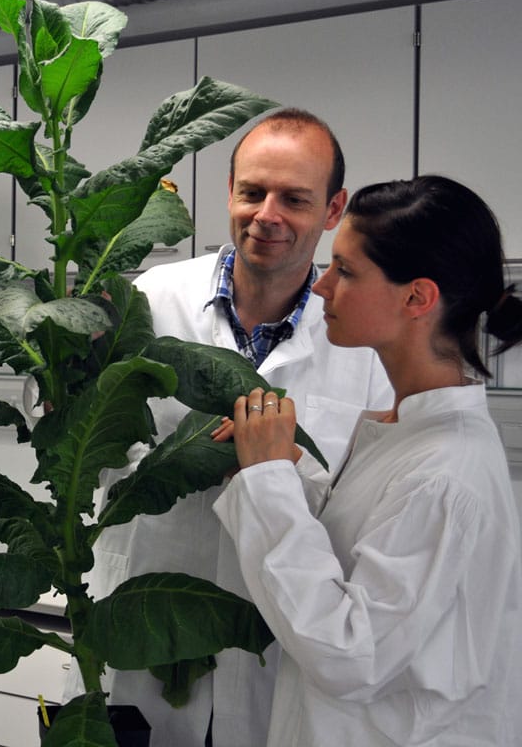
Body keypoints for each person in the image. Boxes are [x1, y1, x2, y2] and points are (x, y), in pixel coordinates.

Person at [71, 108, 394, 746]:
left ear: (333, 210)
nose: (267, 215)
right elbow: (74, 436)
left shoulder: (363, 345)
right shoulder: (150, 298)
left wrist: (273, 471)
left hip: (276, 653)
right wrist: (68, 373)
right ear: (229, 192)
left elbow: (369, 506)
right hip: (143, 631)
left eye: (294, 199)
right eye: (252, 192)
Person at [217, 175, 522, 745]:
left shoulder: (444, 473)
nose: (322, 286)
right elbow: (354, 551)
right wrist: (284, 466)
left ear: (417, 298)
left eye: (346, 271)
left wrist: (268, 482)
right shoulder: (405, 429)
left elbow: (351, 653)